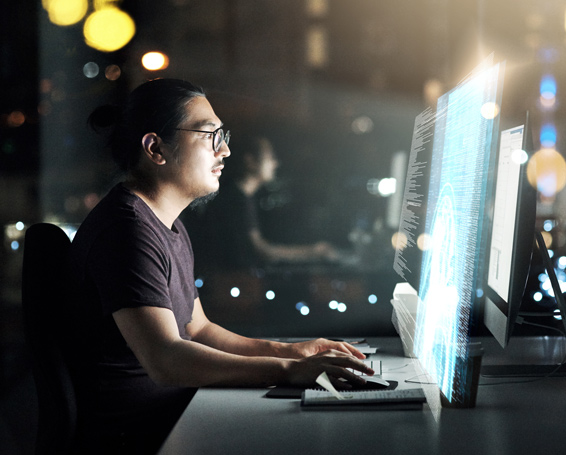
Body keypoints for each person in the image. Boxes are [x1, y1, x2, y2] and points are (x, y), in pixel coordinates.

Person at [69, 79, 373, 454]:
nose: (225, 149)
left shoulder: (168, 224)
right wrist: (289, 373)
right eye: (210, 134)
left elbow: (199, 330)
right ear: (155, 148)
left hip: (173, 417)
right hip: (139, 437)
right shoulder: (126, 231)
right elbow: (166, 359)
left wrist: (293, 352)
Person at [196, 133, 338, 270]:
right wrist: (313, 252)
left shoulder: (241, 196)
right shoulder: (236, 199)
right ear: (250, 161)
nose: (275, 163)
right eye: (270, 157)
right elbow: (261, 250)